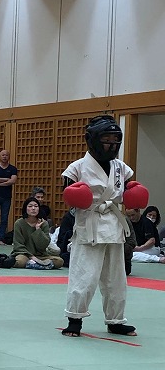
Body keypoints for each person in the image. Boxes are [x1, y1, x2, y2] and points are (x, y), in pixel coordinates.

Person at [61, 114, 147, 337]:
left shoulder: (121, 167)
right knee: (84, 275)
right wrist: (78, 198)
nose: (112, 144)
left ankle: (115, 320)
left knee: (116, 278)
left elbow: (128, 192)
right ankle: (74, 319)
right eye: (106, 139)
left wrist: (134, 195)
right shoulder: (77, 167)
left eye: (115, 139)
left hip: (113, 224)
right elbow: (68, 195)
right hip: (88, 224)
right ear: (93, 140)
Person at [10, 197, 63, 269]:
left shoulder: (44, 223)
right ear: (25, 208)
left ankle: (33, 264)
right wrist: (31, 256)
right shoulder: (19, 223)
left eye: (36, 206)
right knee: (20, 261)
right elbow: (18, 245)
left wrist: (38, 230)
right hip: (24, 254)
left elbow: (43, 245)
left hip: (41, 256)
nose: (33, 208)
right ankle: (40, 265)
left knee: (59, 261)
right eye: (30, 206)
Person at [0, 149, 18, 242]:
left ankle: (1, 238)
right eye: (3, 155)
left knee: (4, 218)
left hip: (7, 197)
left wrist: (0, 183)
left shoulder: (13, 169)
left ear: (9, 157)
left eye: (6, 155)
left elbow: (13, 180)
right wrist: (6, 179)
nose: (4, 157)